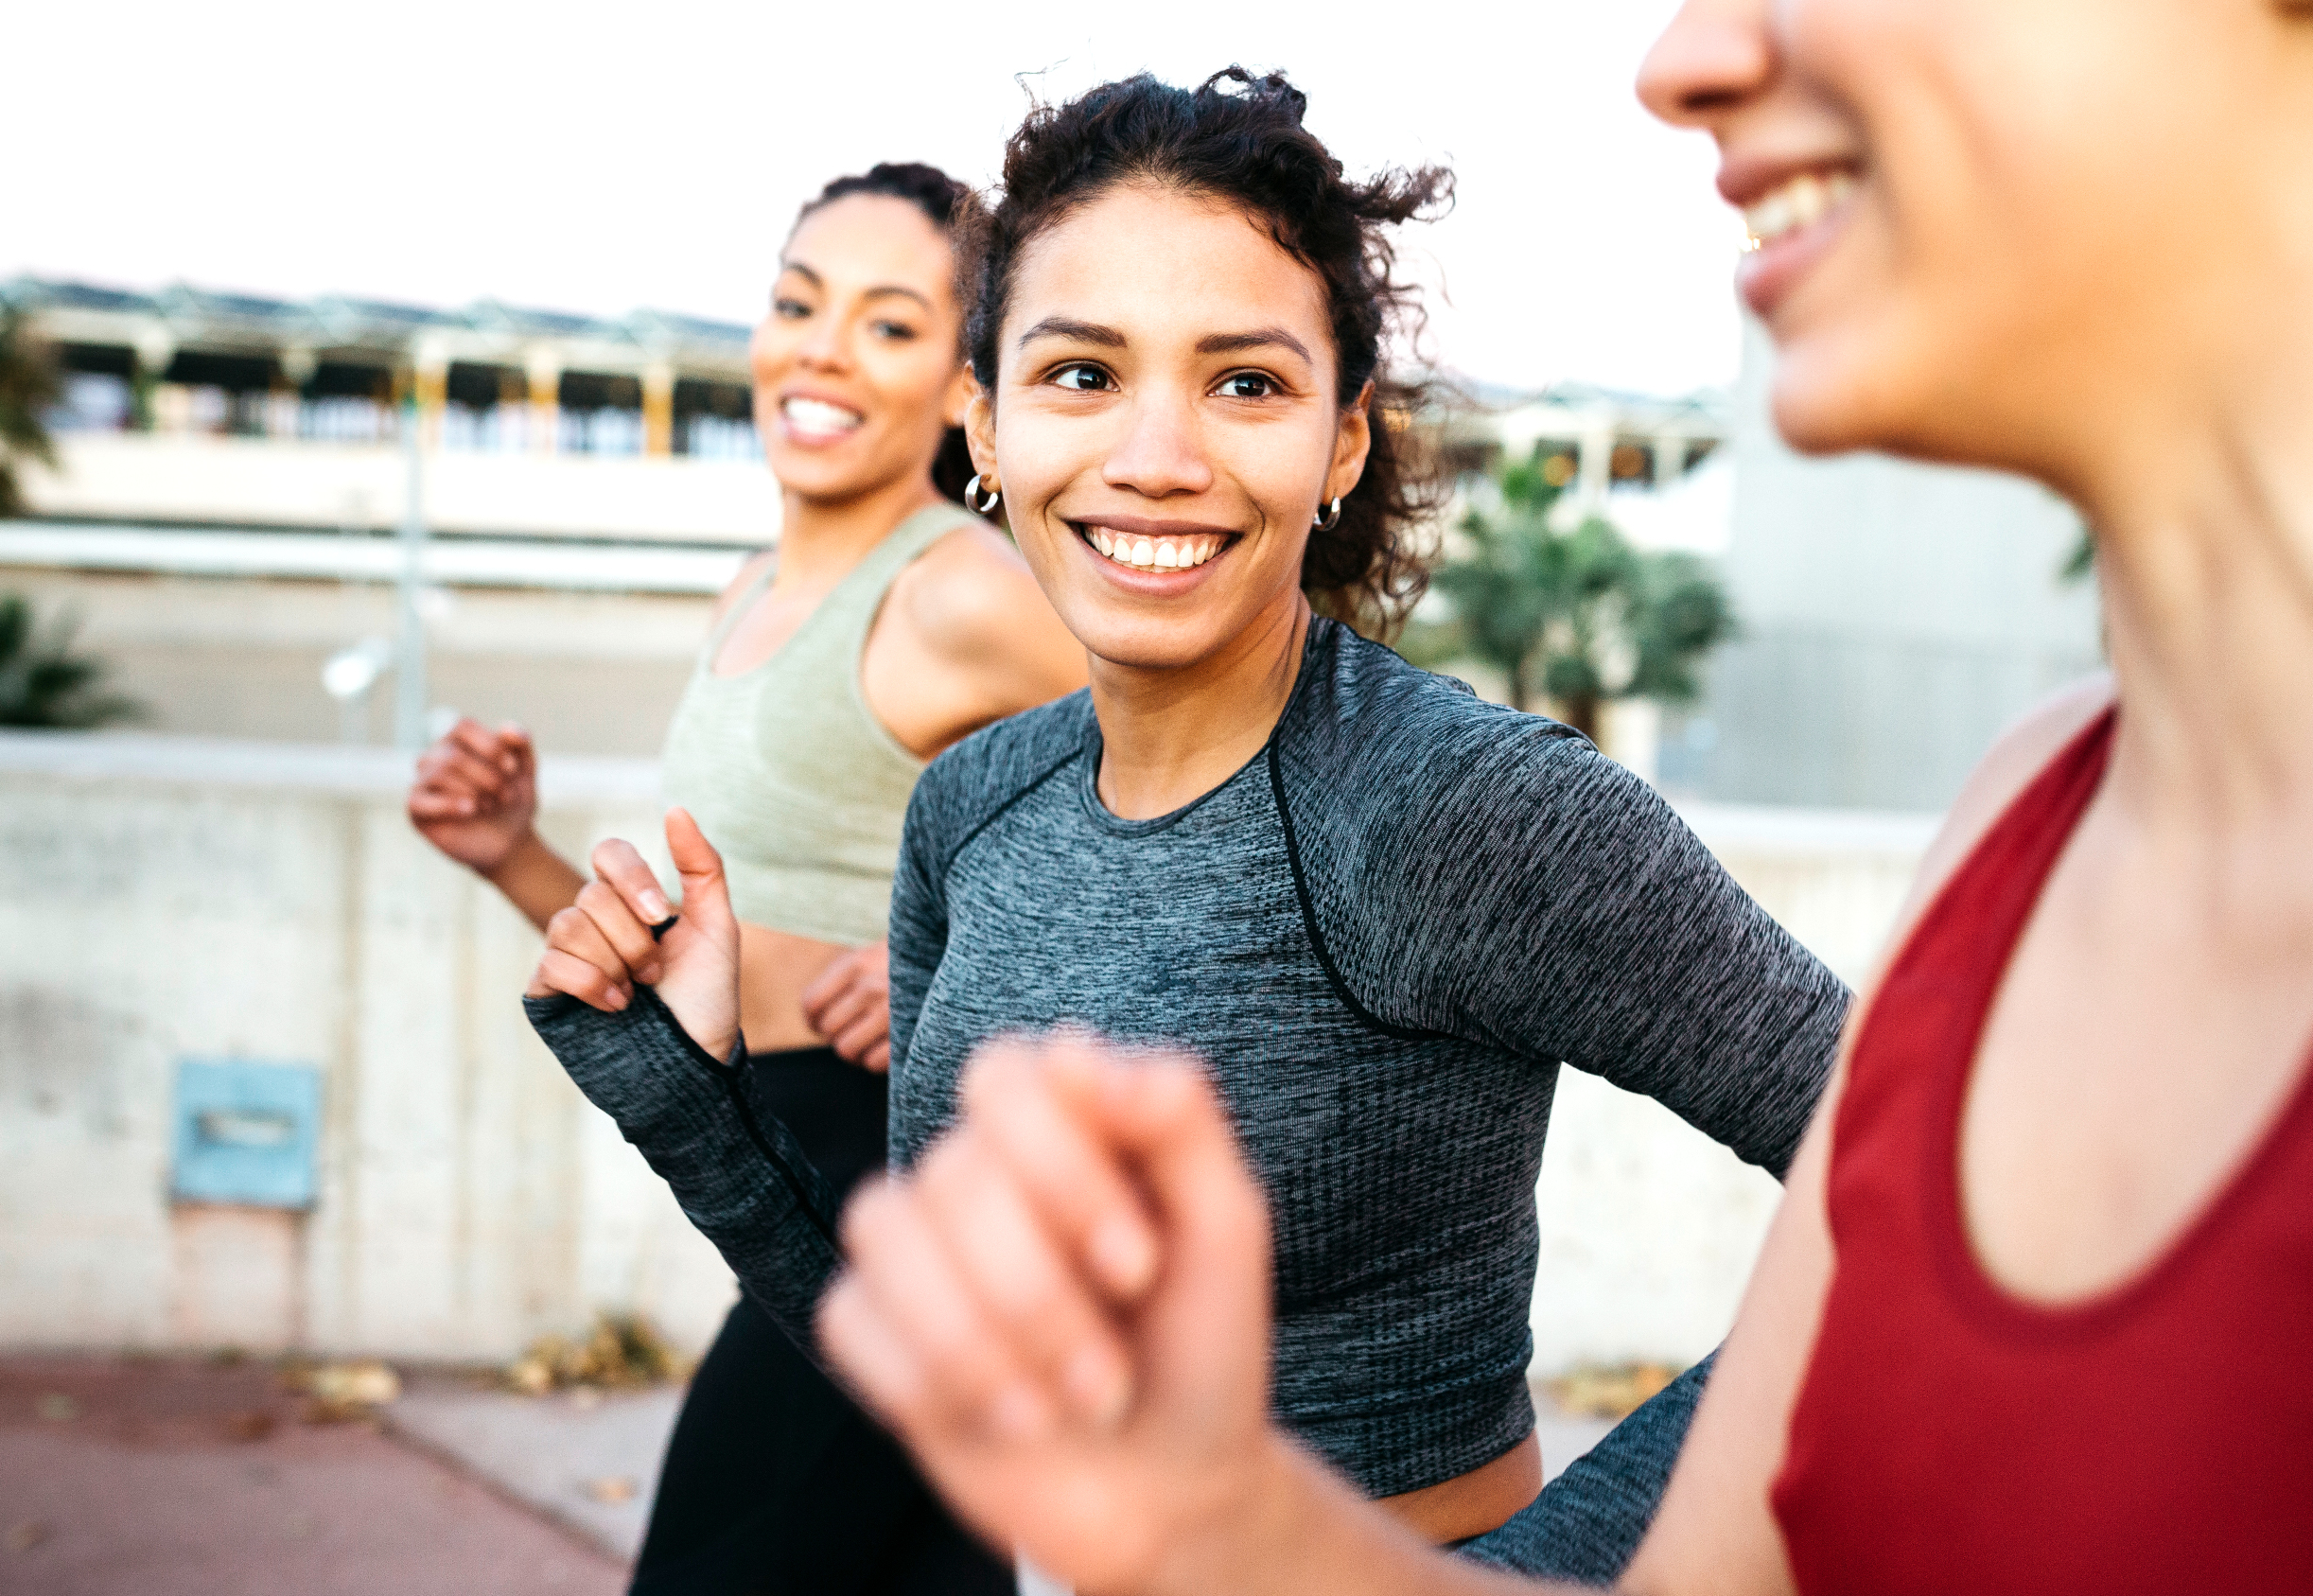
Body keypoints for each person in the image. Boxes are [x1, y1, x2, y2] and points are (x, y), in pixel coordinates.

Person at [803, 3, 2313, 1593]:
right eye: (1075, 371)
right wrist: (1212, 1522)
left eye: (1241, 382)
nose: (1686, 55)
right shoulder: (2031, 823)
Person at [515, 69, 1852, 1578]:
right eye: (1083, 374)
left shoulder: (1454, 807)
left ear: (1343, 442)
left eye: (1246, 383)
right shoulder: (971, 809)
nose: (1156, 456)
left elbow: (1910, 1182)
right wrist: (696, 1093)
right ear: (986, 425)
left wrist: (1563, 1570)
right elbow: (944, 1382)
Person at [407, 162, 1087, 1595]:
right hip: (780, 1167)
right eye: (798, 303)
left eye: (891, 325)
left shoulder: (958, 590)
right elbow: (715, 952)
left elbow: (1203, 786)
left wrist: (983, 973)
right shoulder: (749, 595)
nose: (823, 348)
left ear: (966, 389)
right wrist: (515, 857)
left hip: (895, 1187)